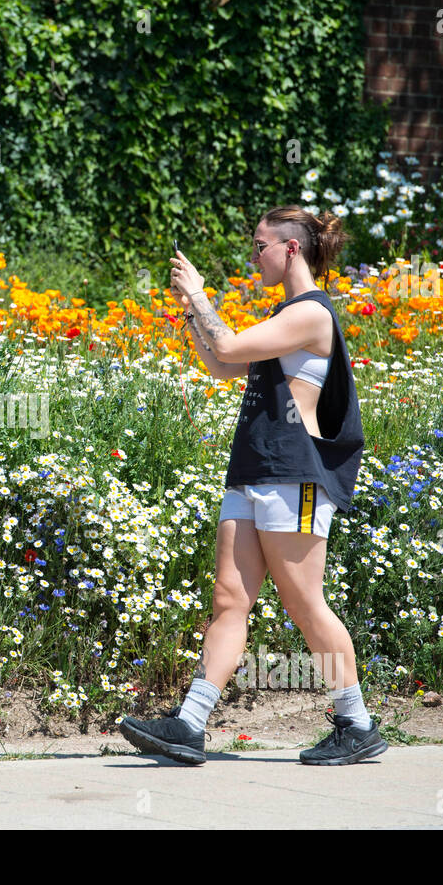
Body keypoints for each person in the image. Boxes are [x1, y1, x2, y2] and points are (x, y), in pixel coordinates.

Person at [118, 205, 388, 766]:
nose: (253, 255)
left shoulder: (312, 314)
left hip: (296, 476)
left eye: (260, 245)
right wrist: (192, 315)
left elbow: (235, 346)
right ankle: (190, 724)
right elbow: (222, 364)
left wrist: (200, 298)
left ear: (291, 249)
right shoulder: (284, 314)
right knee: (229, 600)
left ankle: (356, 722)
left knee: (304, 602)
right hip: (252, 470)